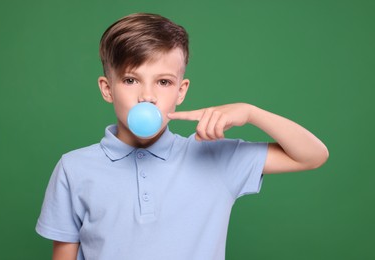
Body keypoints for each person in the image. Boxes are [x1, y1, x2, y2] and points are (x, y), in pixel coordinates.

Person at [35, 13, 329, 260]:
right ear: (107, 88)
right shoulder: (74, 169)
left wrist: (250, 112)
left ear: (181, 91)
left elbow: (312, 155)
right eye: (130, 79)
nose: (147, 96)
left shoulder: (215, 157)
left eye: (163, 82)